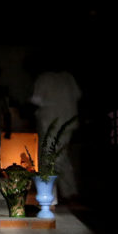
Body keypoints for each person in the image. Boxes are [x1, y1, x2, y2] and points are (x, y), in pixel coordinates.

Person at [29, 60, 82, 203]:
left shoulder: (44, 78)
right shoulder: (68, 78)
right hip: (68, 123)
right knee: (61, 157)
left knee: (49, 159)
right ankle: (68, 193)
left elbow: (35, 102)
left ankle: (50, 197)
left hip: (50, 124)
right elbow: (78, 97)